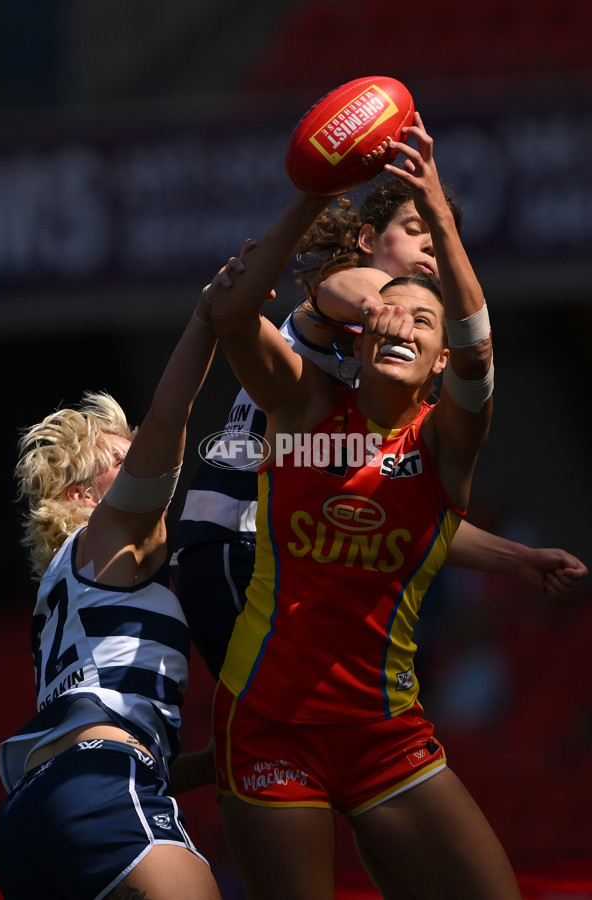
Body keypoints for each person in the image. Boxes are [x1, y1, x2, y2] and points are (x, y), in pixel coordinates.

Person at [208, 111, 523, 899]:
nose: (402, 321)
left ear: (440, 363)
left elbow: (480, 346)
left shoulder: (446, 449)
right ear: (353, 342)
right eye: (390, 312)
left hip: (383, 731)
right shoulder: (306, 411)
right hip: (271, 721)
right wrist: (311, 194)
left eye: (424, 321)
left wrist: (441, 217)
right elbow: (234, 314)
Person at [176, 172, 586, 683]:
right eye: (416, 230)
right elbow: (338, 286)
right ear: (369, 239)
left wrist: (517, 558)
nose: (429, 249)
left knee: (251, 742)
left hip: (279, 560)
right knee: (273, 726)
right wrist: (382, 310)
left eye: (440, 245)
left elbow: (411, 513)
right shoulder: (350, 301)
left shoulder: (393, 381)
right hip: (235, 545)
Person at [0, 289, 222, 900]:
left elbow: (104, 718)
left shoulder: (65, 591)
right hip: (98, 785)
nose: (142, 462)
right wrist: (207, 320)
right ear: (79, 499)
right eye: (123, 459)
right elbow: (171, 419)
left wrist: (215, 762)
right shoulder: (105, 540)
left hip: (27, 817)